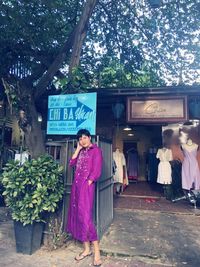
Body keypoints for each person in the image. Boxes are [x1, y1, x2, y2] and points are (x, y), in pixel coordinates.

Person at [66, 129, 103, 266]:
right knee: (79, 217)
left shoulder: (96, 151)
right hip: (76, 187)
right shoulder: (81, 151)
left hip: (86, 187)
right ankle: (86, 250)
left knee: (86, 218)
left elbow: (97, 170)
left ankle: (97, 251)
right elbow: (71, 164)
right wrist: (77, 149)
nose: (83, 141)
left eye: (84, 138)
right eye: (80, 139)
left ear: (89, 137)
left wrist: (89, 182)